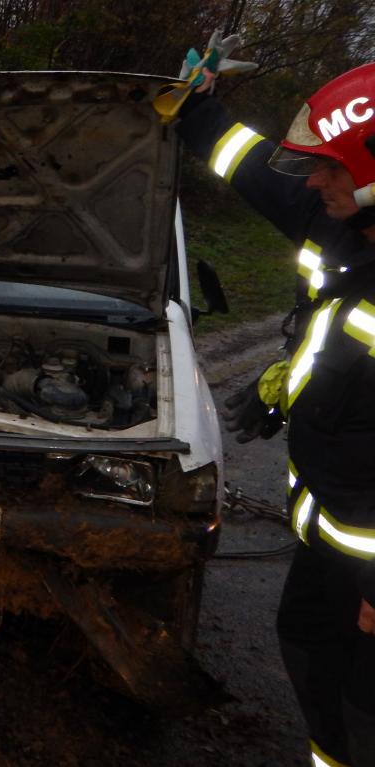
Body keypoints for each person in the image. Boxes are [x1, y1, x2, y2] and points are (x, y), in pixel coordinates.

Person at [168, 50, 375, 767]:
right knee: (316, 659)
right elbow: (249, 165)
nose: (316, 181)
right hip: (332, 545)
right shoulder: (335, 216)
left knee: (362, 700)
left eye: (334, 169)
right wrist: (198, 107)